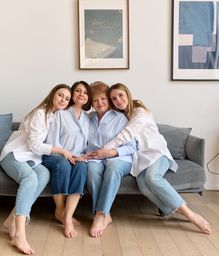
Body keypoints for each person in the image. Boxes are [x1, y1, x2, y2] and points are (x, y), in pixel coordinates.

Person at [90, 83, 212, 234]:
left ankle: (191, 215)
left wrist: (103, 151)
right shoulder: (121, 116)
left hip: (157, 153)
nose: (118, 100)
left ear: (127, 94)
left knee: (152, 178)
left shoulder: (140, 112)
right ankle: (171, 208)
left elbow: (126, 135)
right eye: (114, 98)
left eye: (120, 95)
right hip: (140, 159)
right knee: (143, 185)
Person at [0, 83, 72, 255]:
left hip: (31, 159)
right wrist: (61, 151)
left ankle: (11, 220)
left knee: (44, 174)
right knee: (30, 179)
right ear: (53, 94)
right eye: (60, 95)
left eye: (67, 98)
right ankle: (20, 234)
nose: (63, 100)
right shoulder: (40, 113)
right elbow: (35, 145)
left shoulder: (55, 116)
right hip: (14, 154)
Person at [84, 81, 136, 238]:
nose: (99, 103)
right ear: (91, 103)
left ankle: (100, 215)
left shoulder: (120, 118)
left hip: (120, 157)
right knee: (91, 172)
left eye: (103, 99)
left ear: (108, 99)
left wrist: (111, 153)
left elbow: (131, 146)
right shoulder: (88, 118)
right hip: (95, 158)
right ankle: (106, 215)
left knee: (113, 168)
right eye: (95, 100)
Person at [42, 81, 91, 238]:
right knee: (63, 165)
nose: (81, 94)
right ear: (72, 94)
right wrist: (66, 154)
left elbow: (88, 144)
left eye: (85, 92)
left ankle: (68, 216)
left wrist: (82, 156)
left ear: (88, 97)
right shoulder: (61, 113)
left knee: (82, 167)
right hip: (56, 156)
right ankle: (60, 210)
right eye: (77, 91)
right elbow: (52, 141)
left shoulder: (88, 119)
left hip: (78, 157)